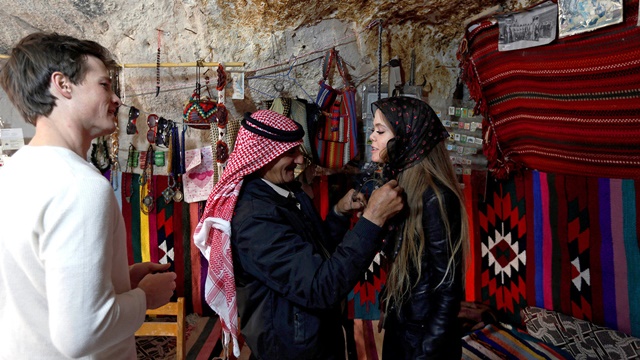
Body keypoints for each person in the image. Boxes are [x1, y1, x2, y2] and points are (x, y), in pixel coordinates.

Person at [0, 32, 177, 359]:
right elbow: (82, 334)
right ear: (62, 85)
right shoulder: (78, 186)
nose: (117, 100)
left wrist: (119, 281)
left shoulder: (12, 172)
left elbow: (34, 284)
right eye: (104, 85)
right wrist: (144, 298)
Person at [193, 109, 404, 359]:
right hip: (292, 348)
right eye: (290, 153)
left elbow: (315, 254)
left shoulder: (283, 191)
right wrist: (372, 220)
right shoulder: (254, 220)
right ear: (263, 156)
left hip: (311, 336)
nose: (300, 161)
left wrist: (338, 213)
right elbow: (320, 286)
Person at [369, 96, 469, 359]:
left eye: (380, 131)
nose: (372, 137)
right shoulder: (401, 187)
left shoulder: (436, 196)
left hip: (423, 339)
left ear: (407, 138)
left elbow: (448, 286)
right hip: (404, 327)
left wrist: (428, 348)